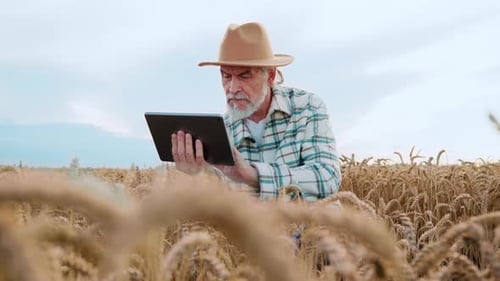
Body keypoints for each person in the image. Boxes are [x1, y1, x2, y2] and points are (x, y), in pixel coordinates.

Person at [171, 22, 341, 201]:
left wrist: (252, 175)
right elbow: (226, 205)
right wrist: (201, 177)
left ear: (270, 75)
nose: (233, 88)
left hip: (313, 225)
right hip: (255, 229)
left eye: (244, 76)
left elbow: (328, 177)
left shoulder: (307, 107)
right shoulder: (221, 131)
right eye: (226, 76)